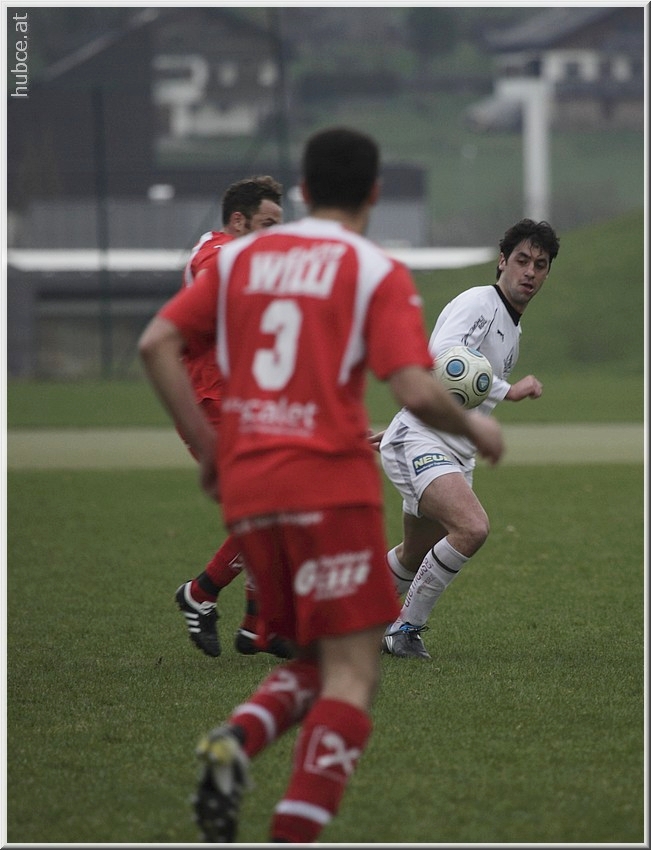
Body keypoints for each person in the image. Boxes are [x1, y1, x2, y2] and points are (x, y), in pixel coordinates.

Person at [138, 126, 504, 843]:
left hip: (251, 488)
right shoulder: (374, 270)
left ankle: (239, 738)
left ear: (304, 192)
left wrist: (211, 453)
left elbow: (156, 344)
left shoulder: (243, 258)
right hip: (327, 490)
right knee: (354, 672)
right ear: (374, 193)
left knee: (317, 656)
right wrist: (477, 428)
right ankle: (285, 822)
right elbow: (413, 386)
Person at [378, 218, 560, 660]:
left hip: (448, 447)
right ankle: (404, 629)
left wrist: (397, 424)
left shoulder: (512, 329)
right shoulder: (479, 302)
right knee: (472, 527)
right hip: (424, 442)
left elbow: (456, 391)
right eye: (522, 260)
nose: (529, 272)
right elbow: (442, 359)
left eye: (540, 265)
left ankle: (339, 621)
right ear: (502, 261)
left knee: (414, 554)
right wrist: (506, 390)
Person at [173, 175, 291, 659]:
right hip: (211, 401)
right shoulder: (219, 254)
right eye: (267, 224)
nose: (274, 234)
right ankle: (202, 594)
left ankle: (256, 625)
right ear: (239, 221)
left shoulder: (235, 254)